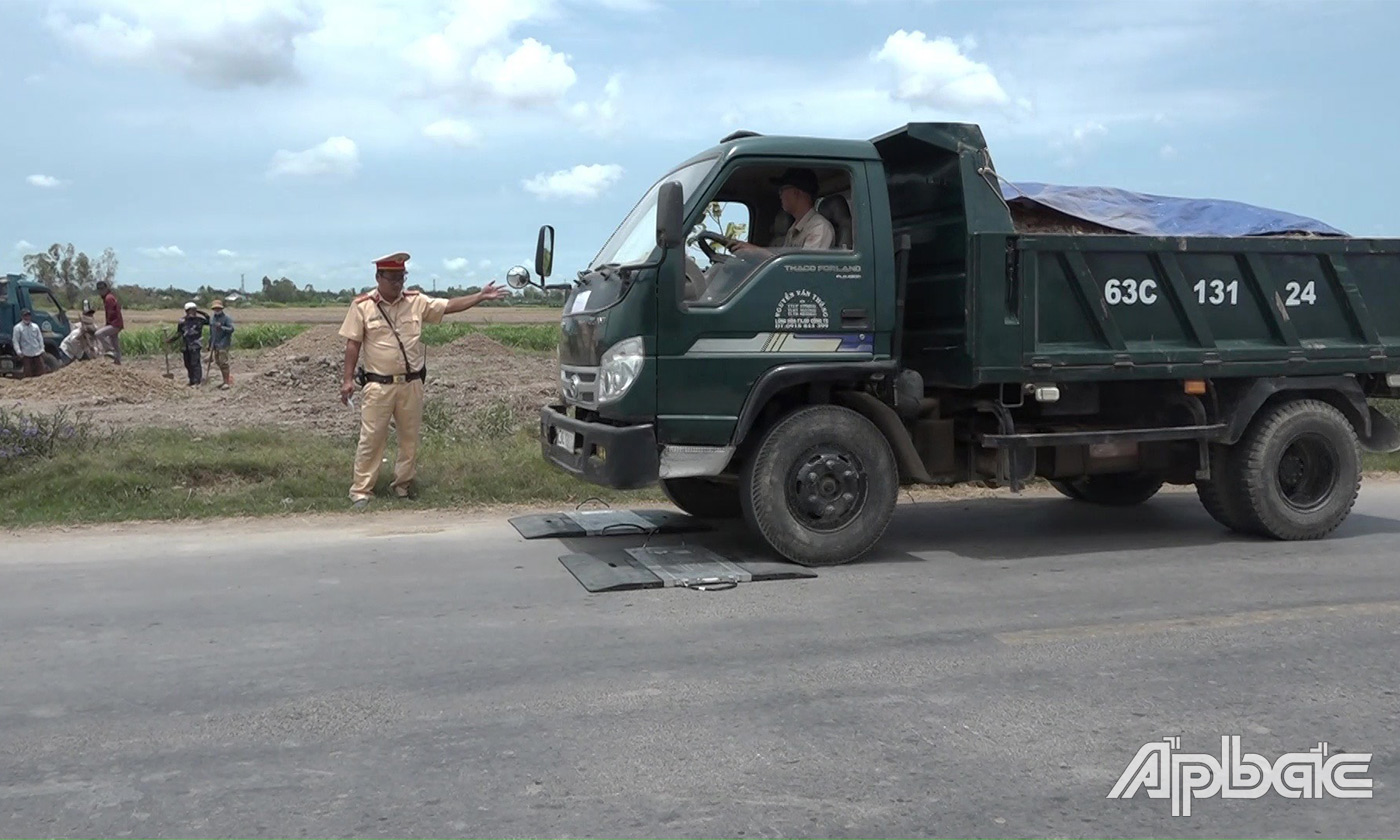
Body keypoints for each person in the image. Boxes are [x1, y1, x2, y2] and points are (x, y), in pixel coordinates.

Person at [338, 251, 508, 509]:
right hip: (378, 385)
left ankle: (402, 486)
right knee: (372, 438)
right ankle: (361, 491)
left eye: (401, 277)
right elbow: (353, 344)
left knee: (409, 438)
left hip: (411, 384)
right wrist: (347, 379)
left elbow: (448, 306)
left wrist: (480, 297)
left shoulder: (416, 302)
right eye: (393, 278)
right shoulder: (362, 306)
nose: (398, 283)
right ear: (378, 277)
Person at [731, 167, 835, 258]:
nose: (780, 194)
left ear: (796, 192)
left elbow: (803, 269)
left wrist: (757, 252)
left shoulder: (819, 228)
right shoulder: (794, 228)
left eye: (783, 189)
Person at [165, 301, 209, 386]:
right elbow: (179, 333)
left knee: (195, 363)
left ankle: (197, 381)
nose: (193, 312)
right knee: (187, 363)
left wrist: (200, 312)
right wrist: (171, 340)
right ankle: (191, 380)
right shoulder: (182, 321)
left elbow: (209, 320)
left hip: (196, 345)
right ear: (187, 311)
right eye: (191, 310)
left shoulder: (199, 320)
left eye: (194, 310)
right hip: (185, 345)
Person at [93, 281, 124, 365]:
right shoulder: (109, 297)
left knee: (98, 334)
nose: (101, 291)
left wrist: (108, 325)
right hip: (116, 323)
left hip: (115, 324)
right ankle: (118, 362)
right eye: (99, 289)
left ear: (106, 288)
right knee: (115, 342)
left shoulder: (108, 298)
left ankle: (110, 350)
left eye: (102, 289)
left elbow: (111, 313)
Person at [208, 299, 235, 389]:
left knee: (223, 362)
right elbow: (211, 332)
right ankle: (224, 380)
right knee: (218, 362)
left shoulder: (226, 318)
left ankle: (226, 382)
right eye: (215, 308)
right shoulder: (212, 319)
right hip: (215, 344)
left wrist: (222, 327)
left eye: (218, 308)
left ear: (221, 309)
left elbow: (231, 329)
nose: (217, 310)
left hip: (223, 344)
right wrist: (210, 344)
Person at [11, 309, 45, 379]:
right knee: (28, 374)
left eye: (28, 315)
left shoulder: (35, 326)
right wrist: (18, 351)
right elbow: (15, 341)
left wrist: (42, 348)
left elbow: (40, 338)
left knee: (41, 372)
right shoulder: (18, 328)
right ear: (22, 317)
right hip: (26, 354)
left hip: (37, 352)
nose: (27, 317)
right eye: (25, 316)